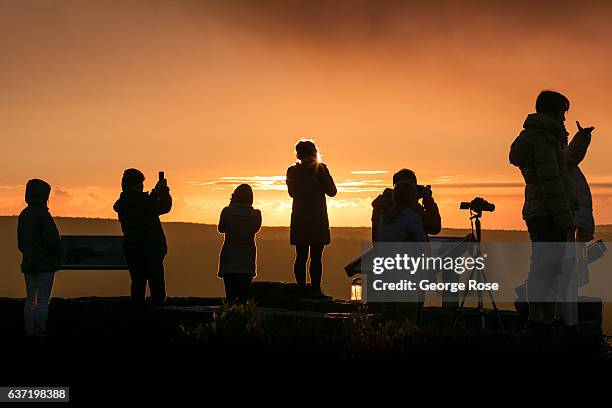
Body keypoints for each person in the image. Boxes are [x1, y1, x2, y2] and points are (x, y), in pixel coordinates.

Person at [509, 90, 590, 327]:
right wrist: (564, 218)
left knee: (546, 266)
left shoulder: (540, 138)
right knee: (546, 268)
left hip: (541, 212)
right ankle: (541, 320)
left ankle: (543, 318)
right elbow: (552, 183)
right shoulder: (543, 141)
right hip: (549, 214)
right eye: (562, 113)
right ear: (553, 112)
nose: (564, 119)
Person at [113, 169, 172, 306]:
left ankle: (137, 316)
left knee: (137, 285)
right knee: (157, 288)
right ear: (136, 185)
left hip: (132, 249)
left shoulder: (125, 203)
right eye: (140, 183)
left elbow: (144, 205)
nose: (142, 186)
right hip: (150, 249)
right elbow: (164, 207)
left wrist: (154, 194)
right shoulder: (142, 202)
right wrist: (163, 191)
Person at [286, 139, 337, 297]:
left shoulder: (292, 171)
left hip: (300, 218)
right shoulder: (321, 168)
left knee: (301, 256)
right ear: (315, 152)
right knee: (316, 258)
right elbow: (332, 191)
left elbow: (292, 193)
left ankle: (301, 289)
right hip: (318, 218)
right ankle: (315, 289)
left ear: (298, 154)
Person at [17, 179, 62, 339]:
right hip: (45, 265)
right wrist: (59, 251)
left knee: (30, 299)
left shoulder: (24, 215)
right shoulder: (44, 215)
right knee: (43, 300)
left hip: (29, 263)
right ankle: (40, 331)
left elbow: (20, 243)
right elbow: (52, 242)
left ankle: (29, 331)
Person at [377, 181, 427, 321]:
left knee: (390, 325)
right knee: (407, 324)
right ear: (411, 198)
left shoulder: (383, 217)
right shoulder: (410, 217)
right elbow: (422, 244)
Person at [217, 184, 262, 304]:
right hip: (247, 257)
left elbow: (221, 229)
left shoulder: (227, 212)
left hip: (230, 256)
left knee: (230, 296)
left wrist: (231, 206)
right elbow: (256, 229)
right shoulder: (256, 215)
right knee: (243, 297)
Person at [372, 168, 441, 242]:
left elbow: (376, 238)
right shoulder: (411, 212)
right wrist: (428, 200)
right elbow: (434, 228)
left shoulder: (381, 207)